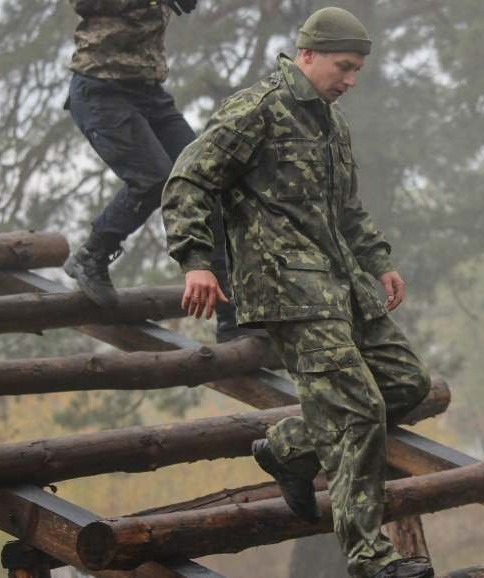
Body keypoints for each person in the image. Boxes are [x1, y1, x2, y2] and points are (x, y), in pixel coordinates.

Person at [161, 7, 434, 578]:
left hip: (344, 287)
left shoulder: (332, 122)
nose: (351, 80)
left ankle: (285, 448)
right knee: (358, 409)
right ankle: (368, 555)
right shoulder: (256, 109)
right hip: (288, 290)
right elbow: (188, 178)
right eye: (344, 66)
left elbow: (348, 209)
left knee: (406, 384)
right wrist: (195, 261)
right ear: (307, 54)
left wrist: (378, 262)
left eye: (358, 69)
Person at [62, 0, 245, 339]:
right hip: (99, 88)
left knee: (206, 183)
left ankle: (232, 320)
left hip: (148, 90)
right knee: (154, 180)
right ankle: (92, 254)